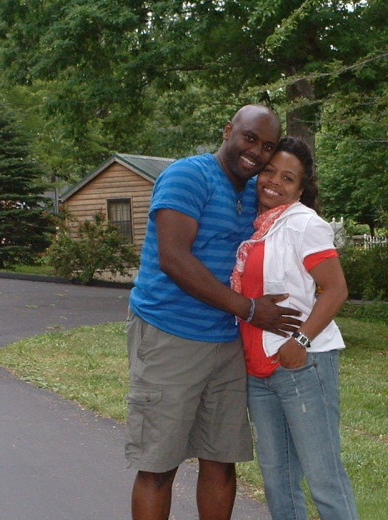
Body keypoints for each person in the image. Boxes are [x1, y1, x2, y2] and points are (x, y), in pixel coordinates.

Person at [126, 105, 303, 520]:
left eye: (267, 147)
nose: (257, 152)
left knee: (221, 460)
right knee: (159, 464)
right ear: (228, 131)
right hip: (170, 335)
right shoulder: (188, 175)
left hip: (225, 343)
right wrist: (249, 309)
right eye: (249, 138)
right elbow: (173, 257)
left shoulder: (249, 192)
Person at [231, 137, 360, 520]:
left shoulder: (302, 223)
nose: (274, 182)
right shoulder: (258, 227)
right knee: (278, 481)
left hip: (303, 367)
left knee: (324, 479)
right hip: (259, 372)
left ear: (300, 190)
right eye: (269, 171)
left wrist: (300, 340)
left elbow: (336, 290)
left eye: (288, 178)